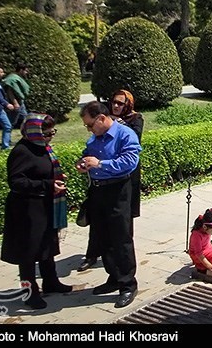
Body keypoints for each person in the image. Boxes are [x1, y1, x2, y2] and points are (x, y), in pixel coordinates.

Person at [0, 113, 72, 310]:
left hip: (44, 205)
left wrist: (55, 176)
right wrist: (48, 184)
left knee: (47, 245)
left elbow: (41, 170)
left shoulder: (42, 147)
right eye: (47, 134)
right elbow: (16, 182)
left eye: (52, 133)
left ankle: (51, 281)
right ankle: (29, 292)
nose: (50, 137)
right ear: (34, 132)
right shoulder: (22, 151)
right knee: (28, 252)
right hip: (27, 210)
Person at [76, 100, 142, 309]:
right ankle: (113, 277)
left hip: (118, 190)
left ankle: (128, 284)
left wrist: (100, 164)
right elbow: (88, 156)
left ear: (102, 118)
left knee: (120, 237)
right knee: (102, 236)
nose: (89, 129)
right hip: (98, 189)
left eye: (90, 125)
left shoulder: (125, 134)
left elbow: (129, 162)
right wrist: (83, 163)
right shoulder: (94, 139)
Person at [3, 63, 30, 129]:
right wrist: (15, 103)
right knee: (11, 123)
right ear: (21, 70)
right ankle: (7, 139)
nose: (26, 72)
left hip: (20, 103)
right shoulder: (12, 79)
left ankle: (28, 137)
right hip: (15, 103)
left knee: (26, 120)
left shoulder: (18, 78)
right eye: (25, 71)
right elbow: (10, 92)